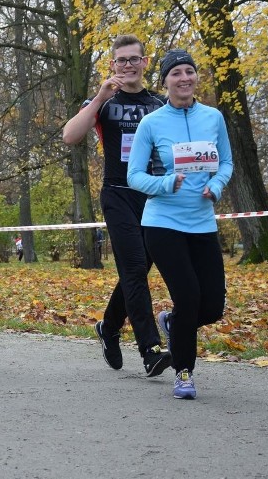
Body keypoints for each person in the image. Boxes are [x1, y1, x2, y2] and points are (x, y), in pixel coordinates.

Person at [62, 34, 172, 377]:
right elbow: (69, 135)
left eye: (133, 59)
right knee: (134, 266)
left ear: (145, 62)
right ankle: (150, 349)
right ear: (112, 65)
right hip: (118, 193)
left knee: (136, 271)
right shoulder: (104, 101)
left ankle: (109, 327)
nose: (127, 65)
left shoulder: (159, 103)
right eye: (121, 60)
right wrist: (99, 97)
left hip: (154, 195)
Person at [127, 48, 233, 399]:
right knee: (188, 297)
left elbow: (228, 164)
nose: (184, 78)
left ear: (196, 77)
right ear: (165, 81)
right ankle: (184, 372)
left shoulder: (213, 117)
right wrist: (164, 183)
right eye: (176, 73)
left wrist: (216, 186)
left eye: (189, 71)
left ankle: (173, 324)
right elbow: (134, 176)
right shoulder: (152, 123)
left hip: (202, 223)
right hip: (163, 223)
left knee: (213, 306)